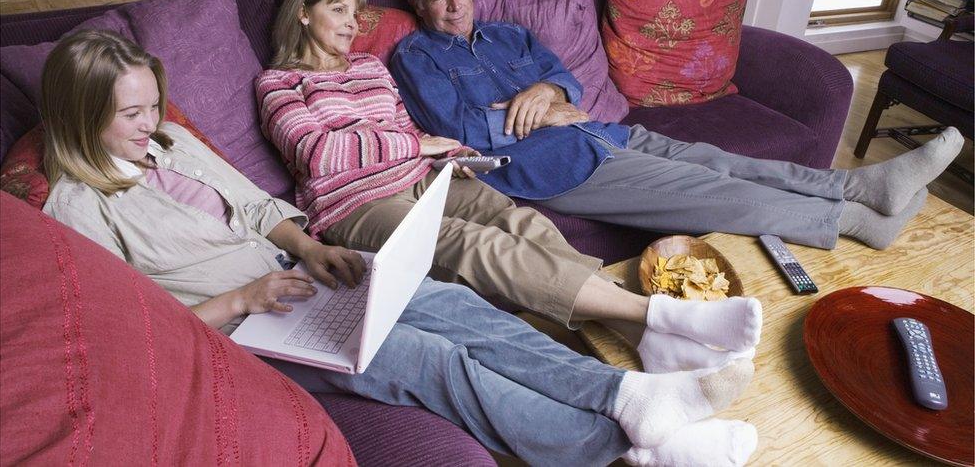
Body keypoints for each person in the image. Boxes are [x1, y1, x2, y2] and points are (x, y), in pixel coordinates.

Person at [40, 29, 761, 466]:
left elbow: (261, 205)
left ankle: (633, 396)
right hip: (244, 333)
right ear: (80, 116)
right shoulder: (74, 209)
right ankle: (627, 449)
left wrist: (309, 248)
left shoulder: (172, 142)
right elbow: (138, 336)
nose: (151, 122)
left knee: (450, 304)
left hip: (293, 280)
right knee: (424, 357)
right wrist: (243, 297)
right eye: (131, 112)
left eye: (153, 104)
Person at [254, 0, 762, 374]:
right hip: (355, 202)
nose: (350, 23)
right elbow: (317, 152)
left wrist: (449, 154)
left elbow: (406, 125)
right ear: (302, 14)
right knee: (473, 244)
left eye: (355, 13)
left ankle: (640, 338)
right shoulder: (278, 83)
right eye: (336, 9)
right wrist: (413, 144)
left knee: (519, 221)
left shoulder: (369, 67)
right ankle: (656, 316)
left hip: (426, 175)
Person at [390, 0, 964, 252]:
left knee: (725, 161)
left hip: (603, 133)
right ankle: (854, 221)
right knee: (714, 192)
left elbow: (567, 78)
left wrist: (546, 90)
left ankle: (858, 184)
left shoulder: (509, 34)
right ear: (420, 2)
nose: (457, 5)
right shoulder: (415, 57)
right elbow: (464, 130)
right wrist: (544, 117)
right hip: (557, 167)